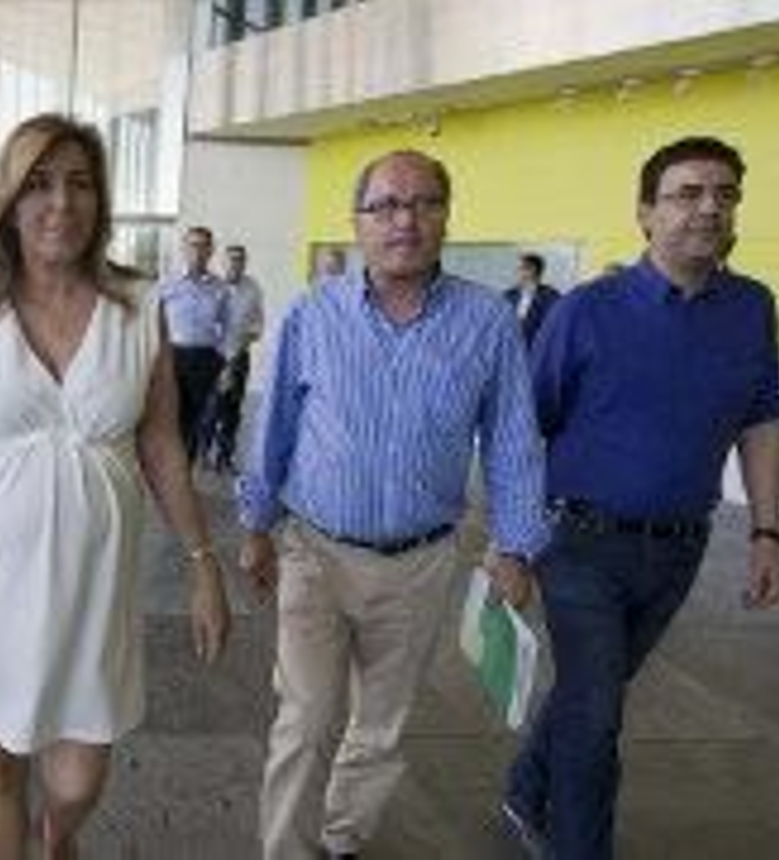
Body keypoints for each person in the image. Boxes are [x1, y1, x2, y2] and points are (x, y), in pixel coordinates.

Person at [0, 113, 230, 859]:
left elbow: (162, 443)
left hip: (91, 589)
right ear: (8, 199)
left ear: (100, 200)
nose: (60, 202)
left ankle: (55, 835)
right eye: (38, 183)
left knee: (77, 781)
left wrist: (204, 566)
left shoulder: (139, 307)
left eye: (78, 183)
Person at [236, 149, 547, 859]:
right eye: (385, 206)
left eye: (423, 203)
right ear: (357, 222)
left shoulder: (487, 322)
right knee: (306, 720)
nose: (404, 220)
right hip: (314, 552)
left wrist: (516, 545)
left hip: (420, 563)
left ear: (446, 217)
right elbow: (275, 425)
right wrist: (255, 524)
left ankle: (341, 839)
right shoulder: (314, 313)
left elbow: (512, 439)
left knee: (381, 728)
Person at [502, 136, 779, 860]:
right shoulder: (586, 311)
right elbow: (523, 430)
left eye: (725, 194)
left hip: (680, 551)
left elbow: (761, 419)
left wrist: (766, 534)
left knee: (587, 697)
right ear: (645, 213)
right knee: (597, 716)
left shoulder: (752, 307)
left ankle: (524, 788)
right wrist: (509, 542)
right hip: (579, 546)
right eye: (687, 193)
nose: (709, 207)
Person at [159, 225, 232, 459]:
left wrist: (224, 365)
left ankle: (185, 470)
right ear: (184, 248)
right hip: (172, 356)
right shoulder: (167, 284)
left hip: (205, 359)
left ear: (211, 250)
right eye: (193, 245)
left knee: (197, 419)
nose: (198, 251)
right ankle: (166, 467)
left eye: (203, 246)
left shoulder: (220, 288)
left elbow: (227, 329)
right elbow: (154, 323)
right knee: (168, 416)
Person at [205, 243, 266, 472]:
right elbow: (205, 326)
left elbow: (257, 325)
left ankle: (225, 456)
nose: (235, 263)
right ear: (223, 262)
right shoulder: (212, 287)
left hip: (239, 356)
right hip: (214, 358)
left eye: (240, 259)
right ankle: (203, 454)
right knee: (211, 408)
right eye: (231, 259)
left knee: (233, 409)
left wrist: (240, 348)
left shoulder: (253, 288)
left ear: (245, 262)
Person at [504, 252, 560, 344]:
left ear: (536, 272)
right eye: (518, 269)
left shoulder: (551, 297)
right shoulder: (508, 296)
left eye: (524, 269)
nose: (519, 274)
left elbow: (553, 327)